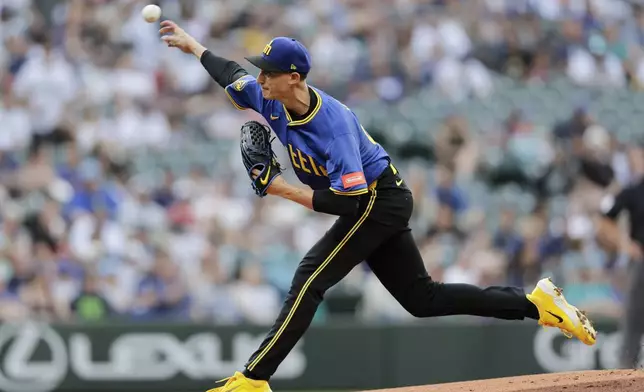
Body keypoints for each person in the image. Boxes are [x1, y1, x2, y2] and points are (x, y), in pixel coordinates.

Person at [159, 20, 597, 392]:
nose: (261, 79)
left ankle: (253, 380)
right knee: (423, 299)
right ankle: (538, 304)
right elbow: (229, 72)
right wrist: (193, 45)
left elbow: (346, 199)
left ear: (294, 77)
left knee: (310, 278)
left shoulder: (334, 126)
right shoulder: (268, 97)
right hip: (375, 201)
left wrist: (278, 188)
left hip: (377, 199)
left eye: (269, 73)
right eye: (262, 72)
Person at [597, 153, 644, 369]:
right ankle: (627, 370)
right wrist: (625, 245)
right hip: (641, 262)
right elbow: (605, 220)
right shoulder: (634, 191)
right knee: (634, 316)